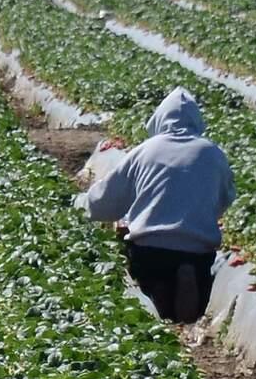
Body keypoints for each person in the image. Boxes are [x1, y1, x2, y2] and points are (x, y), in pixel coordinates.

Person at [85, 87, 236, 323]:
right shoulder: (213, 153)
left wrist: (85, 205)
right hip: (198, 253)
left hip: (150, 249)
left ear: (159, 119)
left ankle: (158, 295)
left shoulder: (145, 151)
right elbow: (225, 198)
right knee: (196, 271)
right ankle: (186, 287)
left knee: (147, 279)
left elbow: (104, 203)